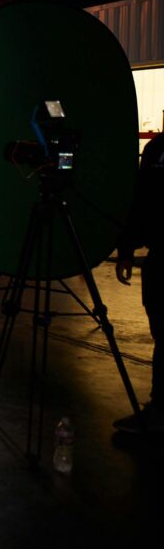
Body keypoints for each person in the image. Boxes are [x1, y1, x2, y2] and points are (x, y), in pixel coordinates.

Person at [113, 132, 164, 432]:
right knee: (162, 334)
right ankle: (160, 409)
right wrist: (126, 252)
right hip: (161, 260)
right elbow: (140, 202)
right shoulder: (157, 149)